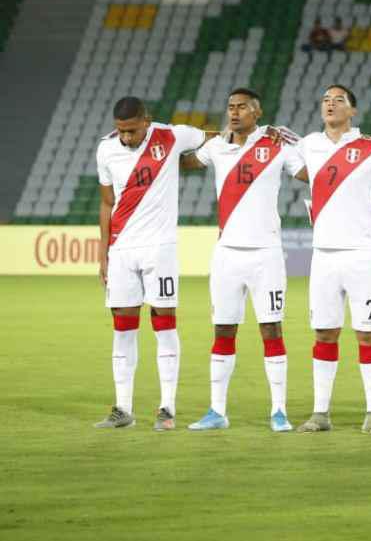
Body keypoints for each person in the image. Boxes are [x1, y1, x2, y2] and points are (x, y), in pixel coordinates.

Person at [181, 88, 304, 432]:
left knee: (271, 328)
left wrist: (298, 140)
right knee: (223, 328)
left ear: (257, 111)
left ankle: (279, 411)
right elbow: (183, 163)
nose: (234, 112)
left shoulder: (278, 144)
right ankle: (216, 411)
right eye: (230, 106)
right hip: (227, 255)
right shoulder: (217, 146)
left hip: (266, 254)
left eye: (241, 107)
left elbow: (312, 173)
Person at [93, 97, 212, 429]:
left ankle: (167, 408)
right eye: (121, 131)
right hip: (121, 250)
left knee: (164, 323)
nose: (126, 138)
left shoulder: (172, 136)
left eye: (131, 131)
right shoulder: (106, 149)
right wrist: (103, 250)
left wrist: (249, 136)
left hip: (160, 249)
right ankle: (123, 409)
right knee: (122, 328)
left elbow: (214, 140)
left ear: (146, 121)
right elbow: (107, 203)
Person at [295, 85, 371, 434]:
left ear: (353, 111)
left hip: (362, 253)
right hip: (323, 254)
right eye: (325, 99)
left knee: (367, 333)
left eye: (339, 100)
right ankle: (320, 413)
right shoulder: (308, 145)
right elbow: (291, 168)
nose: (330, 104)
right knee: (324, 333)